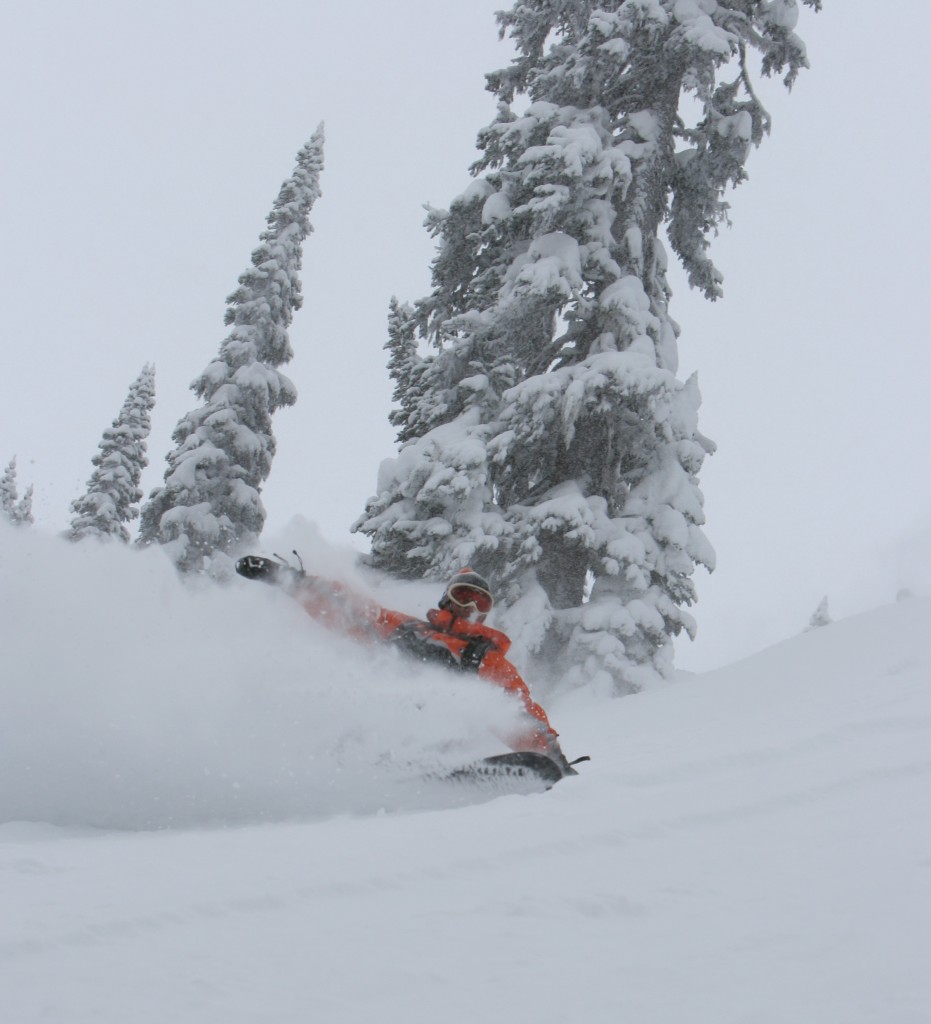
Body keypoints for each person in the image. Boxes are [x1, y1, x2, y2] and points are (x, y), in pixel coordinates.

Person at [235, 556, 573, 771]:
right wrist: (288, 579)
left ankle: (434, 763)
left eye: (478, 605)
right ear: (447, 599)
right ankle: (337, 763)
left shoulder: (486, 659)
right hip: (382, 729)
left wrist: (552, 757)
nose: (468, 609)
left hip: (442, 740)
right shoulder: (406, 628)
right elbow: (351, 608)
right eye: (463, 598)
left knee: (459, 709)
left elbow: (519, 709)